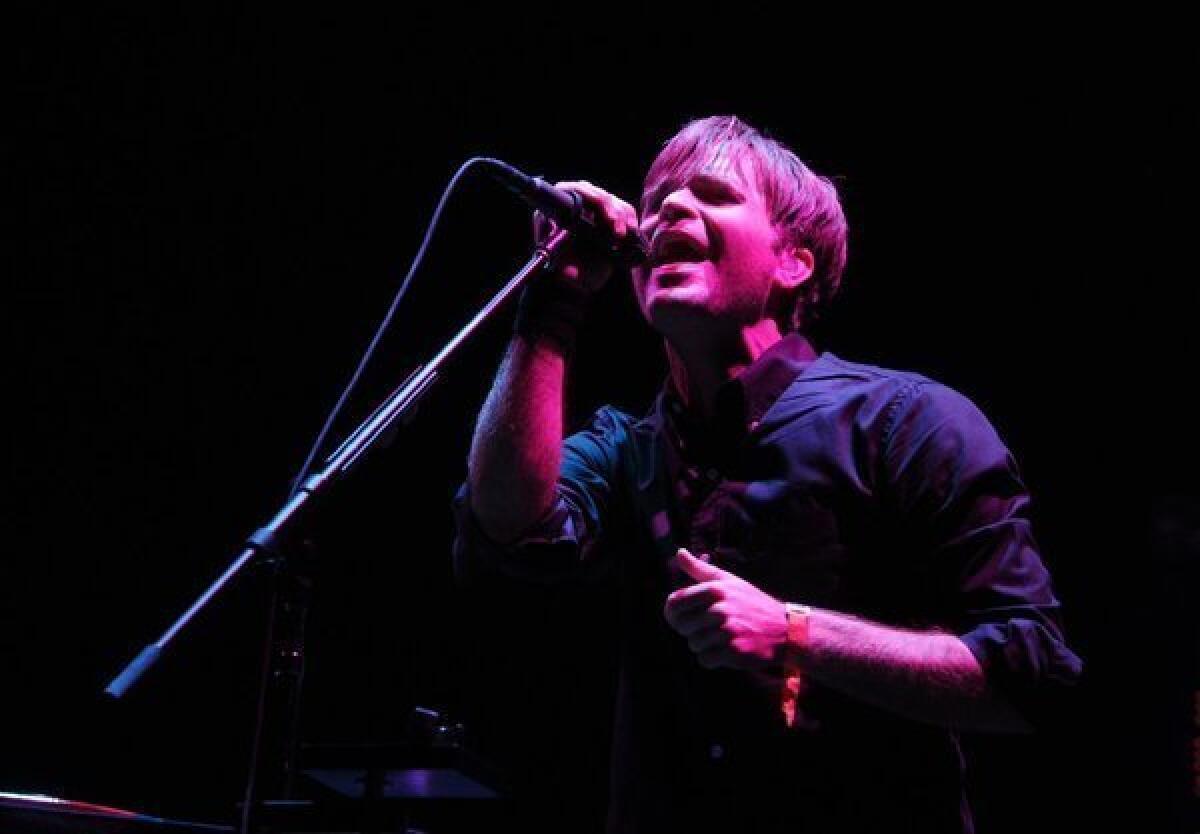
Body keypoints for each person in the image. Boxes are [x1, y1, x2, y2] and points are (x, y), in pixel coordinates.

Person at [453, 115, 1082, 834]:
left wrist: (795, 635)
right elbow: (510, 523)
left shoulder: (908, 422)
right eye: (656, 202)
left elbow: (1031, 675)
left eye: (713, 194)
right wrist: (554, 302)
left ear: (794, 263)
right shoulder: (628, 447)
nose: (668, 212)